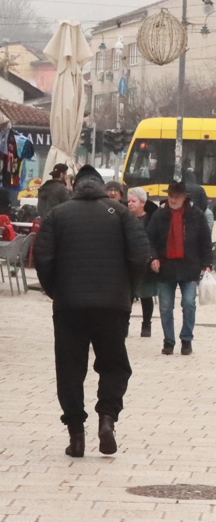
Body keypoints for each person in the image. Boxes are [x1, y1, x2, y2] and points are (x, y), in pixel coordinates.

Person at [33, 164, 150, 457]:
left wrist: (55, 291)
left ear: (75, 186)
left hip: (69, 306)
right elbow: (140, 256)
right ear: (100, 186)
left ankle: (76, 435)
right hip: (112, 306)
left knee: (70, 369)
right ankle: (107, 419)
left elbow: (42, 259)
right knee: (114, 365)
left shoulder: (57, 215)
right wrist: (129, 291)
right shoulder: (121, 213)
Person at [148, 181, 213, 356]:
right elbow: (150, 240)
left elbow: (205, 241)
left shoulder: (196, 215)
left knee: (189, 303)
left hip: (189, 266)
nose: (172, 200)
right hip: (166, 267)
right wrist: (153, 257)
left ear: (184, 198)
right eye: (170, 196)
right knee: (165, 306)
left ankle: (186, 339)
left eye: (176, 197)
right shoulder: (159, 215)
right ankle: (168, 340)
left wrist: (207, 264)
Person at [127, 188, 158, 338]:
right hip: (128, 261)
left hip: (146, 261)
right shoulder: (125, 218)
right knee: (127, 296)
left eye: (133, 201)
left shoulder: (152, 219)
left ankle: (147, 324)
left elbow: (155, 240)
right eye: (129, 201)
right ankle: (124, 324)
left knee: (146, 295)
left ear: (142, 203)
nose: (130, 204)